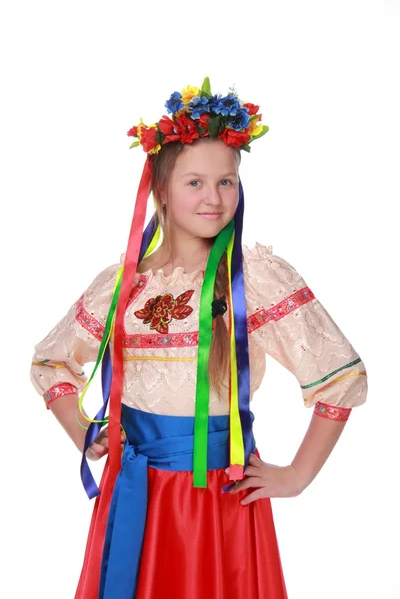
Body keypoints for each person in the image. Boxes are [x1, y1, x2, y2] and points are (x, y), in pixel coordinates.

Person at [30, 78, 368, 599]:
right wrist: (86, 433)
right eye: (195, 183)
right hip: (133, 493)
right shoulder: (123, 284)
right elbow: (51, 363)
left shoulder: (254, 278)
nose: (214, 197)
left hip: (216, 497)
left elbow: (341, 378)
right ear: (161, 189)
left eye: (227, 182)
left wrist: (297, 476)